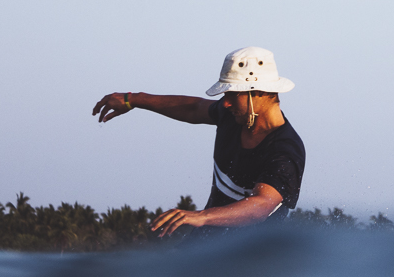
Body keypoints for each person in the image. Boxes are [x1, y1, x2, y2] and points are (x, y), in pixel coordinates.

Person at [93, 47, 306, 237]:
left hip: (251, 261)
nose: (226, 102)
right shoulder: (232, 116)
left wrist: (201, 216)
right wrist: (133, 99)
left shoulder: (285, 149)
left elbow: (261, 206)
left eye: (233, 94)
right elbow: (193, 108)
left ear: (259, 92)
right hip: (205, 246)